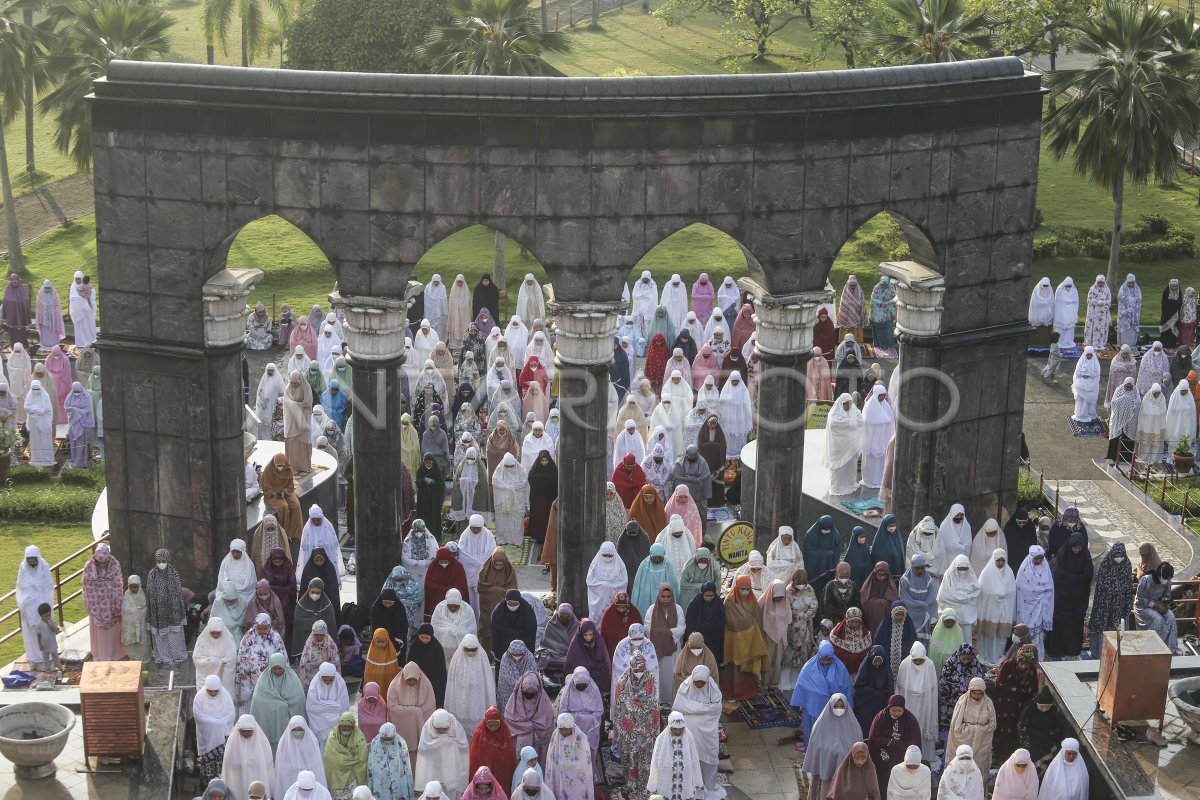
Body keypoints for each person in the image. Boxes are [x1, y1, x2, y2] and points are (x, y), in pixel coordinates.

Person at [611, 650, 659, 794]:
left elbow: (652, 702)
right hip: (628, 730)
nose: (639, 673)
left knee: (644, 758)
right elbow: (620, 704)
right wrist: (635, 707)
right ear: (631, 667)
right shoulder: (623, 681)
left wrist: (633, 705)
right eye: (636, 670)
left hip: (646, 728)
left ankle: (644, 784)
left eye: (642, 670)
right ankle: (630, 783)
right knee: (628, 756)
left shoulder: (650, 679)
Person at [792, 640, 854, 747]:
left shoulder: (841, 669)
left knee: (831, 740)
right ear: (818, 655)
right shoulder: (808, 668)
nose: (825, 662)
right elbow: (802, 687)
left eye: (828, 659)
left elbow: (846, 690)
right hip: (813, 710)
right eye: (823, 659)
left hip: (834, 711)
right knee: (813, 735)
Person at [1045, 533, 1093, 659]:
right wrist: (1076, 578)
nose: (1076, 551)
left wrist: (1072, 579)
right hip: (1062, 598)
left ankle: (1072, 650)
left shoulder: (1085, 556)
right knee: (1060, 624)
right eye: (1074, 548)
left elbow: (1088, 576)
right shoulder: (1063, 554)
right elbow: (1058, 575)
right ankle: (1057, 650)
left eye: (1079, 548)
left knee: (1074, 625)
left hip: (1078, 598)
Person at [893, 642, 938, 767]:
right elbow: (900, 687)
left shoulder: (929, 665)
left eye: (920, 660)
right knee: (909, 728)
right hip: (908, 702)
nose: (918, 663)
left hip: (925, 702)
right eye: (915, 660)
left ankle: (925, 756)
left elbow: (933, 687)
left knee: (923, 726)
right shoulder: (904, 664)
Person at [866, 694, 920, 794]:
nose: (896, 713)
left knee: (901, 782)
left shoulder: (910, 720)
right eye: (893, 710)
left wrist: (902, 747)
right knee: (883, 781)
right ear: (889, 707)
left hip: (901, 757)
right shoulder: (880, 717)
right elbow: (873, 738)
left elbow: (915, 741)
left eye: (899, 711)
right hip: (883, 758)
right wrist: (890, 742)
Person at [251, 653, 307, 749]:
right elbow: (258, 701)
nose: (277, 671)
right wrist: (279, 705)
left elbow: (298, 700)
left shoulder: (293, 679)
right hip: (269, 721)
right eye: (274, 668)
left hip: (287, 722)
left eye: (280, 668)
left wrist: (280, 705)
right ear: (270, 667)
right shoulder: (263, 680)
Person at [144, 548, 188, 665]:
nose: (161, 563)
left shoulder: (174, 573)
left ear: (168, 560)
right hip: (157, 611)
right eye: (159, 561)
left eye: (163, 560)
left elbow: (178, 593)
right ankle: (163, 657)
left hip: (173, 611)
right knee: (160, 636)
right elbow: (149, 592)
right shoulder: (152, 574)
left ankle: (177, 656)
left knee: (174, 635)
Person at [81, 543, 124, 662]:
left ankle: (113, 653)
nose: (102, 565)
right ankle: (100, 655)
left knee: (111, 633)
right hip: (97, 605)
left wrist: (117, 603)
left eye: (104, 563)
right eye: (100, 563)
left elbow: (118, 584)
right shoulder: (89, 567)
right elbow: (87, 586)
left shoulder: (115, 565)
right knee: (99, 634)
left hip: (111, 603)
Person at [416, 709, 470, 800]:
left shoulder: (456, 727)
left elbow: (464, 747)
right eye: (438, 728)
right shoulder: (427, 728)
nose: (441, 731)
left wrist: (449, 743)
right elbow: (423, 749)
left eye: (444, 728)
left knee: (452, 793)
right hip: (434, 769)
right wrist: (440, 742)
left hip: (453, 769)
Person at [194, 674, 236, 783]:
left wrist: (220, 723)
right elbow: (198, 716)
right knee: (208, 765)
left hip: (222, 737)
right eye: (210, 691)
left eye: (215, 691)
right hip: (207, 738)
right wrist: (215, 722)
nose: (213, 693)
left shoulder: (225, 695)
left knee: (222, 764)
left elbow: (231, 715)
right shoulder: (199, 697)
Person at [222, 715, 276, 799]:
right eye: (242, 731)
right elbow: (228, 766)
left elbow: (267, 767)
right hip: (237, 784)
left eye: (249, 731)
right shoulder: (232, 743)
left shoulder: (263, 744)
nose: (246, 733)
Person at [1016, 546, 1054, 659]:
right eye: (1036, 559)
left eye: (1040, 558)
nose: (1038, 561)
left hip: (1041, 606)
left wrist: (1042, 594)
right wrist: (1037, 591)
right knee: (1026, 634)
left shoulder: (1045, 566)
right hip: (1027, 606)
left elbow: (1050, 587)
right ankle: (1024, 657)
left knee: (1039, 636)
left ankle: (1038, 659)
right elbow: (1020, 587)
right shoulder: (1024, 568)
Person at [544, 713, 593, 800]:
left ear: (572, 727)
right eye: (561, 729)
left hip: (575, 776)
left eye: (566, 729)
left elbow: (585, 763)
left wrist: (568, 765)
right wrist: (559, 765)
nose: (563, 732)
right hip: (559, 773)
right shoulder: (555, 736)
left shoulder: (581, 739)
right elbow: (551, 758)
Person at [938, 643, 984, 735]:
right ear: (959, 655)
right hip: (950, 701)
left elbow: (979, 682)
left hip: (969, 700)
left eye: (969, 659)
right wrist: (958, 689)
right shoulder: (950, 663)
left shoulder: (976, 665)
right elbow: (943, 683)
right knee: (949, 722)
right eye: (964, 659)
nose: (966, 661)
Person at [1135, 562, 1180, 653]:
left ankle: (1171, 647)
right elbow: (1140, 599)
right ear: (1159, 574)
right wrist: (1155, 605)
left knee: (1171, 617)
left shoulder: (1167, 581)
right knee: (1158, 619)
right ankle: (1157, 648)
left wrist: (1165, 604)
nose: (1165, 581)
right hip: (1144, 607)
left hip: (1159, 605)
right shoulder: (1146, 580)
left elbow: (1166, 595)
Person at [825, 393, 864, 495]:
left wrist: (850, 422)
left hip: (850, 446)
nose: (848, 406)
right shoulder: (834, 413)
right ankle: (837, 487)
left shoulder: (854, 411)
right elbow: (834, 424)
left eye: (850, 404)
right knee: (838, 469)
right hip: (838, 447)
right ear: (841, 403)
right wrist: (850, 423)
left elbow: (860, 422)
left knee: (850, 467)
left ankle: (849, 483)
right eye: (846, 404)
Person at [275, 717, 326, 794]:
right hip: (289, 781)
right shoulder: (283, 744)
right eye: (294, 730)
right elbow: (280, 768)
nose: (297, 732)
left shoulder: (312, 742)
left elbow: (316, 766)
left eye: (300, 729)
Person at [324, 712, 368, 800]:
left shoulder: (359, 737)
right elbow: (330, 757)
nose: (346, 728)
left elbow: (362, 758)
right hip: (336, 775)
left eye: (349, 726)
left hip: (354, 776)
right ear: (339, 725)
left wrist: (343, 761)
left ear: (353, 726)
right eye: (344, 726)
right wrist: (349, 760)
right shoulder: (333, 736)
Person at [937, 555, 981, 643]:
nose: (962, 571)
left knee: (966, 640)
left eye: (965, 568)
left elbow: (976, 592)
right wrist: (962, 598)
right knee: (952, 641)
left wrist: (967, 598)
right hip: (952, 617)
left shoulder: (971, 576)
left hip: (967, 616)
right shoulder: (948, 576)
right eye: (960, 568)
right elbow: (943, 596)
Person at [853, 646, 894, 737]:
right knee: (866, 729)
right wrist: (873, 692)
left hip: (881, 704)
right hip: (867, 704)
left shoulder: (886, 669)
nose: (877, 664)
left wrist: (881, 693)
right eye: (876, 661)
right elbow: (859, 685)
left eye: (880, 661)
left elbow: (890, 687)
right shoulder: (866, 668)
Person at [860, 385, 896, 488]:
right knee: (872, 462)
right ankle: (870, 480)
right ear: (876, 395)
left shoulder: (886, 406)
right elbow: (867, 420)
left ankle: (881, 480)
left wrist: (883, 421)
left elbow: (890, 420)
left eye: (884, 395)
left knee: (881, 463)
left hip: (883, 439)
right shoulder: (869, 406)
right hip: (872, 441)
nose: (883, 397)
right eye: (881, 395)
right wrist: (880, 421)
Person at [308, 662, 351, 747]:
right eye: (325, 680)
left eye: (331, 680)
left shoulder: (340, 683)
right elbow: (310, 707)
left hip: (335, 722)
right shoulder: (314, 685)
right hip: (318, 721)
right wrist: (333, 707)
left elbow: (343, 706)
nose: (328, 682)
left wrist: (325, 707)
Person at [367, 722, 414, 800]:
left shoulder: (401, 743)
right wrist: (370, 785)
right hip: (380, 780)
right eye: (384, 739)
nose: (387, 741)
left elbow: (407, 765)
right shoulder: (375, 743)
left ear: (394, 735)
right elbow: (370, 765)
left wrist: (410, 789)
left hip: (399, 777)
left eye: (389, 739)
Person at [1020, 687, 1063, 769]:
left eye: (1047, 707)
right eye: (1042, 706)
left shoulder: (1054, 712)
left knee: (1045, 764)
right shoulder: (1029, 711)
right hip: (1031, 743)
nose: (1044, 709)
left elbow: (1058, 729)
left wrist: (1048, 736)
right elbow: (1022, 727)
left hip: (1046, 744)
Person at [830, 606, 873, 676]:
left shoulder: (865, 634)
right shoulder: (837, 633)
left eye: (857, 622)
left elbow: (867, 653)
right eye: (852, 622)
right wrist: (850, 657)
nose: (854, 624)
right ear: (847, 620)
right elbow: (836, 652)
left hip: (860, 672)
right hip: (843, 671)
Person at [803, 515, 843, 579]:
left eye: (828, 529)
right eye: (824, 529)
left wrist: (832, 556)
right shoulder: (810, 535)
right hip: (816, 566)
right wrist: (826, 554)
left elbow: (838, 549)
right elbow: (808, 552)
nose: (826, 530)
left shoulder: (835, 535)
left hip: (830, 565)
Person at [122, 574, 150, 662]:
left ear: (140, 586)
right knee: (132, 642)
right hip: (131, 626)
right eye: (131, 587)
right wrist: (134, 612)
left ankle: (144, 656)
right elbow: (124, 611)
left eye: (136, 586)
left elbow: (145, 610)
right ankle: (133, 656)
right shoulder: (126, 597)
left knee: (142, 641)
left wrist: (139, 612)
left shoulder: (143, 596)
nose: (134, 589)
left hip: (142, 625)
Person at [1071, 346, 1102, 423]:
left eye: (1090, 355)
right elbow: (1077, 372)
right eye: (1087, 355)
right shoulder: (1081, 361)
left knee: (1089, 401)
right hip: (1081, 385)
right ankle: (1080, 414)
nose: (1088, 356)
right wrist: (1087, 374)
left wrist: (1086, 374)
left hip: (1091, 385)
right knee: (1080, 399)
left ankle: (1089, 414)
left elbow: (1096, 373)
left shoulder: (1095, 362)